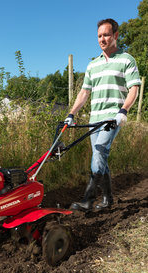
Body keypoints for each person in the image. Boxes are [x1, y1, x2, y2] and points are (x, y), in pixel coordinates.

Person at [65, 18, 141, 211]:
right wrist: (72, 114)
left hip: (112, 117)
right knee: (100, 157)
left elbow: (134, 89)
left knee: (99, 152)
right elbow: (84, 93)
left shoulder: (126, 59)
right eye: (99, 36)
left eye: (106, 35)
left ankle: (88, 199)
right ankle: (107, 200)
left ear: (115, 35)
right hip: (94, 119)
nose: (102, 39)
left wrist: (123, 111)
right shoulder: (93, 65)